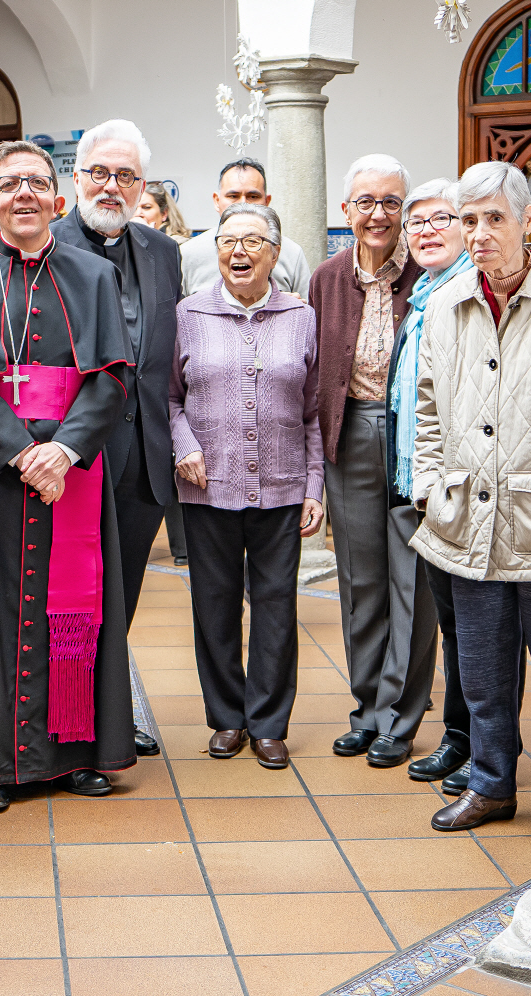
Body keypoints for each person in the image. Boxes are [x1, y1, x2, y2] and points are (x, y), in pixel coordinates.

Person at [0, 140, 138, 813]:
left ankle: (75, 754)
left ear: (57, 199)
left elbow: (112, 377)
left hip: (73, 472)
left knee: (75, 610)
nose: (24, 194)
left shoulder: (94, 276)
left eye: (37, 183)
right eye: (10, 184)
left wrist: (64, 451)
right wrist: (21, 453)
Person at [413, 161, 531, 836]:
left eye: (494, 218)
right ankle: (490, 785)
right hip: (466, 517)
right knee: (480, 673)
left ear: (527, 219)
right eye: (467, 219)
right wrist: (429, 486)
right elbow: (427, 410)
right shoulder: (446, 304)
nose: (478, 233)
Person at [171, 204, 324, 770]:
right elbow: (168, 398)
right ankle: (227, 717)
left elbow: (313, 411)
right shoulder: (188, 313)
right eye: (228, 240)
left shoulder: (302, 316)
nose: (239, 251)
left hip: (282, 487)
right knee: (213, 606)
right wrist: (184, 445)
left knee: (276, 607)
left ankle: (268, 723)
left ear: (275, 253)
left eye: (253, 241)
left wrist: (314, 485)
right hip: (206, 484)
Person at [50, 120, 180, 760]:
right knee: (66, 596)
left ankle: (106, 714)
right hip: (68, 456)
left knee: (121, 594)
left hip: (143, 456)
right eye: (99, 172)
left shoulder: (162, 252)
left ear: (142, 185)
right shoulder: (45, 245)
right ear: (76, 177)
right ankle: (57, 723)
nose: (111, 186)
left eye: (126, 176)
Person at [306, 153, 434, 769]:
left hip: (413, 435)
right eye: (366, 203)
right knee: (359, 579)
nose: (378, 214)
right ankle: (366, 710)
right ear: (346, 210)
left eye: (390, 202)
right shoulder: (327, 279)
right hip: (350, 430)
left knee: (411, 577)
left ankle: (399, 717)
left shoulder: (427, 273)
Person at [389, 179, 481, 794]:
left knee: (479, 626)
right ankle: (460, 737)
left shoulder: (470, 294)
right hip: (425, 483)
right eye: (416, 222)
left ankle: (481, 744)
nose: (425, 231)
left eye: (440, 218)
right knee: (453, 620)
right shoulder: (424, 296)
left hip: (465, 487)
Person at [135, 179, 195, 567]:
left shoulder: (171, 250)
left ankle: (182, 544)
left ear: (162, 213)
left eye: (146, 208)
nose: (139, 214)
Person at [183, 159, 313, 301]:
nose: (243, 203)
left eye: (253, 196)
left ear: (267, 201)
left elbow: (308, 306)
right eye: (233, 196)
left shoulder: (292, 254)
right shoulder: (188, 254)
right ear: (217, 200)